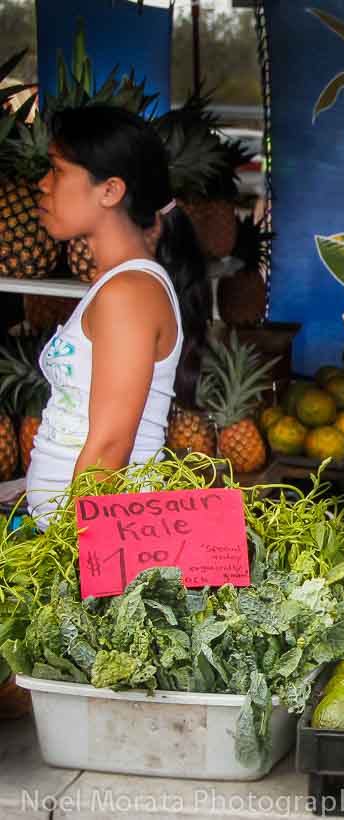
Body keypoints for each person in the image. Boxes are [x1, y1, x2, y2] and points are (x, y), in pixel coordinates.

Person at [25, 105, 210, 522]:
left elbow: (110, 449)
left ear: (109, 191)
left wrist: (70, 555)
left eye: (56, 170)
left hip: (89, 547)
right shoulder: (119, 286)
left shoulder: (129, 293)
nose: (42, 184)